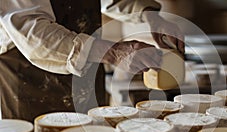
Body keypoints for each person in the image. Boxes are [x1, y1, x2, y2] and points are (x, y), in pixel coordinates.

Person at [0, 0, 184, 121]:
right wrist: (114, 53)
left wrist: (151, 17)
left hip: (87, 67)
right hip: (30, 77)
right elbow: (31, 28)